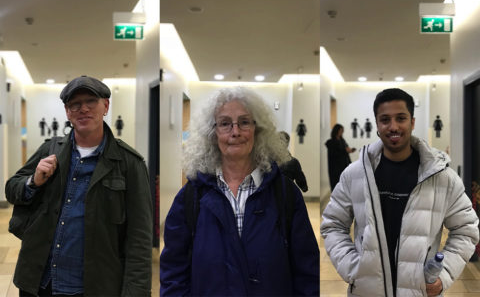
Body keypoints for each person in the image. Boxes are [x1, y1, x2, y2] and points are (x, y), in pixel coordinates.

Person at [160, 87, 319, 296]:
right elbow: (173, 274)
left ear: (257, 129)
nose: (235, 132)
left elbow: (307, 273)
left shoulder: (286, 194)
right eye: (225, 123)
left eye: (244, 122)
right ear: (212, 132)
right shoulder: (191, 197)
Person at [320, 88, 479, 297]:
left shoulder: (442, 177)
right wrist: (353, 269)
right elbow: (333, 225)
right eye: (385, 119)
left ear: (412, 122)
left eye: (401, 118)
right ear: (377, 124)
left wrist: (443, 275)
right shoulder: (355, 175)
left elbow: (466, 230)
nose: (393, 126)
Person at [5, 76, 153, 296]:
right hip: (40, 282)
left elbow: (139, 239)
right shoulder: (50, 149)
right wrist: (33, 182)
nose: (83, 108)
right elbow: (11, 189)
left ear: (106, 106)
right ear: (67, 112)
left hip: (93, 286)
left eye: (91, 101)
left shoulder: (129, 163)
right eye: (75, 104)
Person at [325, 124, 356, 191]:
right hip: (335, 168)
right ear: (336, 131)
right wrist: (345, 151)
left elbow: (346, 149)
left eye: (342, 131)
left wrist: (350, 150)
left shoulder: (342, 140)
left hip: (344, 165)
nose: (342, 132)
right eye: (341, 130)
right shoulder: (331, 142)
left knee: (345, 185)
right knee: (336, 184)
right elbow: (334, 154)